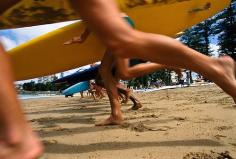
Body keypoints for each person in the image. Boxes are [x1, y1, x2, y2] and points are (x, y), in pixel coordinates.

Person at [0, 0, 236, 158]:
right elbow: (88, 23)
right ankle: (116, 114)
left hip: (122, 19)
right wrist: (79, 40)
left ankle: (211, 65)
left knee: (122, 57)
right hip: (118, 20)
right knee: (111, 67)